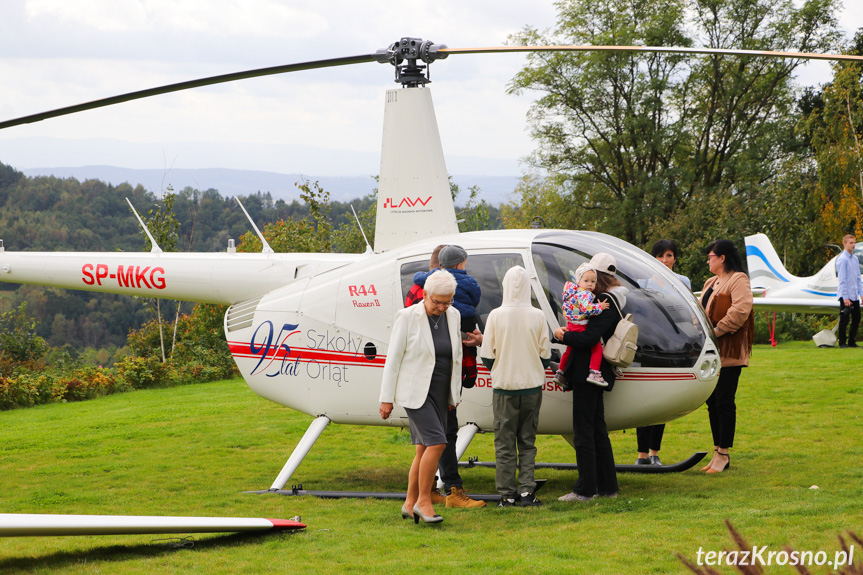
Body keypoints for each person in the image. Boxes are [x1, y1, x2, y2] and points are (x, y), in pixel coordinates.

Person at [379, 270, 463, 524]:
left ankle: (409, 502)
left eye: (447, 301)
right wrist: (386, 398)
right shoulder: (406, 317)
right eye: (436, 301)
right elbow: (392, 360)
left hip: (441, 391)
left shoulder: (454, 315)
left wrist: (454, 391)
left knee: (423, 448)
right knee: (437, 444)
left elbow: (454, 355)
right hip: (415, 392)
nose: (441, 307)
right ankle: (424, 501)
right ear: (425, 294)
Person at [406, 245, 485, 509]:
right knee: (444, 435)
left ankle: (420, 495)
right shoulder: (442, 298)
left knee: (424, 443)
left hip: (426, 377)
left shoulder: (417, 292)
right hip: (438, 376)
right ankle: (452, 490)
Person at [554, 253, 627, 501]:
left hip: (588, 372)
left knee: (584, 430)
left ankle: (585, 490)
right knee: (597, 429)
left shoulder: (604, 302)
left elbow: (588, 338)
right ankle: (607, 487)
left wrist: (562, 336)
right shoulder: (613, 300)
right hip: (593, 372)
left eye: (591, 279)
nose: (588, 284)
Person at [479, 265, 552, 507]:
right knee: (527, 442)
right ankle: (527, 492)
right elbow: (545, 355)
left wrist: (501, 370)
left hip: (505, 388)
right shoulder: (538, 315)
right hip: (532, 388)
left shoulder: (495, 315)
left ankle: (507, 495)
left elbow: (487, 355)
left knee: (504, 443)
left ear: (505, 286)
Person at [699, 239, 754, 474]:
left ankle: (723, 453)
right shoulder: (711, 282)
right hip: (711, 351)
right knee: (712, 401)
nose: (708, 260)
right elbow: (700, 311)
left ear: (722, 258)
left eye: (711, 256)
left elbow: (741, 309)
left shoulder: (738, 279)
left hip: (729, 350)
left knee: (723, 400)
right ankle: (718, 451)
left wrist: (717, 331)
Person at [635, 239, 691, 466]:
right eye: (660, 256)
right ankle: (640, 455)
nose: (664, 261)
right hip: (645, 343)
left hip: (670, 345)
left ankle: (654, 452)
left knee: (661, 400)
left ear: (675, 258)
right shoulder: (641, 281)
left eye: (669, 255)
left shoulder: (682, 281)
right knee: (643, 400)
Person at [415, 245, 481, 388]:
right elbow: (476, 299)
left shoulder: (433, 277)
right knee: (468, 347)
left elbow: (417, 278)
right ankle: (470, 374)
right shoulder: (470, 281)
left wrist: (430, 272)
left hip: (442, 320)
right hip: (465, 321)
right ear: (459, 264)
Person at [554, 263, 611, 389]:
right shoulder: (585, 294)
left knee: (569, 351)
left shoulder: (572, 293)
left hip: (571, 325)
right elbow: (587, 309)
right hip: (581, 326)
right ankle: (594, 372)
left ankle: (560, 372)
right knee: (597, 349)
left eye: (593, 281)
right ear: (578, 281)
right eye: (586, 281)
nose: (590, 284)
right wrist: (600, 307)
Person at [836, 234, 862, 348]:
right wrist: (845, 297)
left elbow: (857, 278)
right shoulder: (842, 259)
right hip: (845, 295)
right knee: (844, 320)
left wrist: (861, 294)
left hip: (854, 294)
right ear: (844, 244)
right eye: (850, 243)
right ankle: (842, 342)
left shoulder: (855, 259)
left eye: (854, 242)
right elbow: (842, 280)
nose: (853, 245)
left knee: (857, 318)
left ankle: (851, 341)